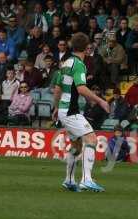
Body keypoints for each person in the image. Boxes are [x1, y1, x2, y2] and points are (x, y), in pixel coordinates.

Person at [52, 32, 110, 192]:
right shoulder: (78, 64)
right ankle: (87, 180)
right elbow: (81, 88)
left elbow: (57, 89)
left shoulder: (65, 63)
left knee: (76, 146)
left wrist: (56, 107)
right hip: (70, 111)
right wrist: (100, 100)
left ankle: (69, 180)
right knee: (91, 139)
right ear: (87, 48)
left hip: (64, 109)